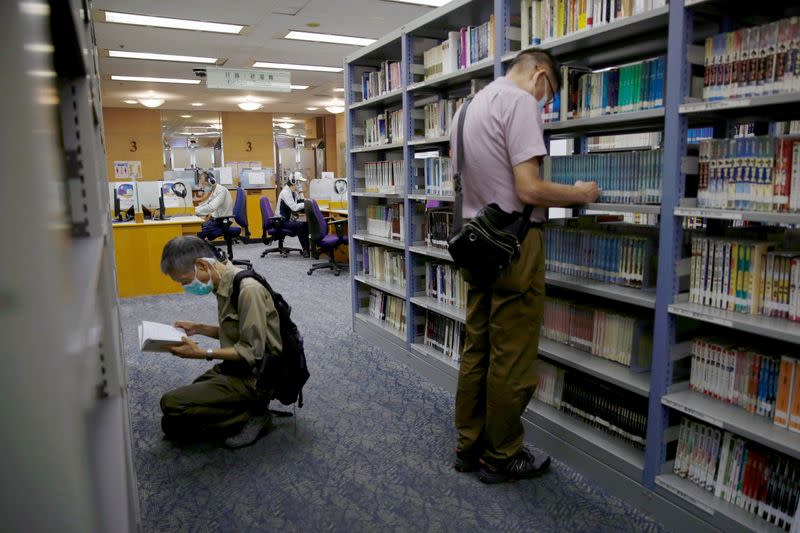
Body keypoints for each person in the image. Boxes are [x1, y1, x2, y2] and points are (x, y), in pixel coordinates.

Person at [451, 49, 600, 483]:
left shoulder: (467, 107)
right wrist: (580, 193)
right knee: (511, 356)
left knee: (476, 347)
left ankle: (469, 445)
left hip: (478, 241)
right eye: (549, 93)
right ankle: (502, 455)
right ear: (539, 76)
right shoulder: (519, 103)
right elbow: (529, 189)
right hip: (516, 244)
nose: (546, 104)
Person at [158, 236, 282, 448]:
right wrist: (199, 328)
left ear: (202, 265)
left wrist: (202, 352)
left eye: (185, 281)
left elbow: (252, 351)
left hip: (255, 376)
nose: (184, 287)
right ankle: (245, 409)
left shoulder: (247, 290)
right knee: (174, 418)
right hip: (234, 367)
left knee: (171, 405)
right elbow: (235, 332)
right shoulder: (222, 280)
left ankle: (255, 413)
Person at [277, 173, 310, 257]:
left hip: (288, 219)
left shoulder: (293, 192)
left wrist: (301, 192)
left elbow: (301, 201)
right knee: (301, 226)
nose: (300, 184)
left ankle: (308, 249)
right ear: (293, 181)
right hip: (281, 221)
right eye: (299, 182)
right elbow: (294, 207)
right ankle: (306, 250)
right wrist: (306, 203)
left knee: (305, 224)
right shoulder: (285, 192)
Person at [195, 171, 234, 241]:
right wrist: (192, 209)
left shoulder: (222, 190)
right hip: (216, 220)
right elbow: (206, 204)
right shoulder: (214, 191)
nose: (202, 187)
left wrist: (196, 211)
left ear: (211, 181)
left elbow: (211, 207)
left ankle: (199, 250)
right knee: (197, 229)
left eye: (203, 184)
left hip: (223, 221)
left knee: (198, 232)